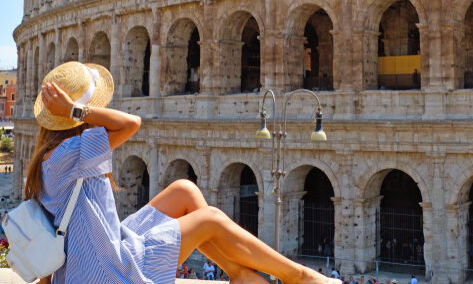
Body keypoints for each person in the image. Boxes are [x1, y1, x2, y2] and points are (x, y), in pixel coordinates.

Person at [27, 61, 341, 284]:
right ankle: (298, 277)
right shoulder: (75, 151)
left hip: (91, 263)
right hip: (110, 273)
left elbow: (48, 235)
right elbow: (131, 123)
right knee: (211, 220)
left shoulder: (46, 160)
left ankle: (240, 274)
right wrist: (75, 110)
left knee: (184, 191)